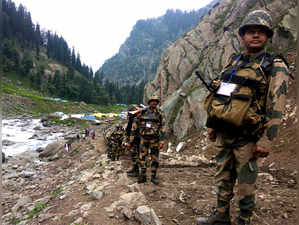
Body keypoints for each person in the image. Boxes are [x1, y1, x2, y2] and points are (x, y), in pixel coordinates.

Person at [196, 10, 290, 225]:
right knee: (222, 177)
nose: (255, 36)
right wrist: (213, 125)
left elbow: (277, 104)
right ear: (242, 36)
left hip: (248, 136)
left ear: (267, 36)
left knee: (246, 183)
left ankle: (243, 220)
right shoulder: (234, 61)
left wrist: (267, 139)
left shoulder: (274, 64)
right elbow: (222, 95)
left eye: (261, 32)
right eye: (250, 32)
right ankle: (221, 216)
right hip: (224, 130)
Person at [129, 95, 165, 185]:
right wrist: (131, 140)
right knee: (142, 158)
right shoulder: (142, 112)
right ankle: (143, 176)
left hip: (155, 140)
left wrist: (162, 140)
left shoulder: (159, 113)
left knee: (155, 159)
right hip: (143, 139)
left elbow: (163, 126)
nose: (154, 102)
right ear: (149, 102)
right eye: (152, 101)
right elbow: (135, 125)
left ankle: (153, 176)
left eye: (156, 101)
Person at [125, 105, 141, 177]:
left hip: (136, 139)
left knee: (136, 155)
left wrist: (130, 142)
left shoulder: (137, 118)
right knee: (133, 155)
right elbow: (129, 128)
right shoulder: (132, 118)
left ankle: (136, 171)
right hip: (133, 139)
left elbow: (134, 131)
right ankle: (134, 168)